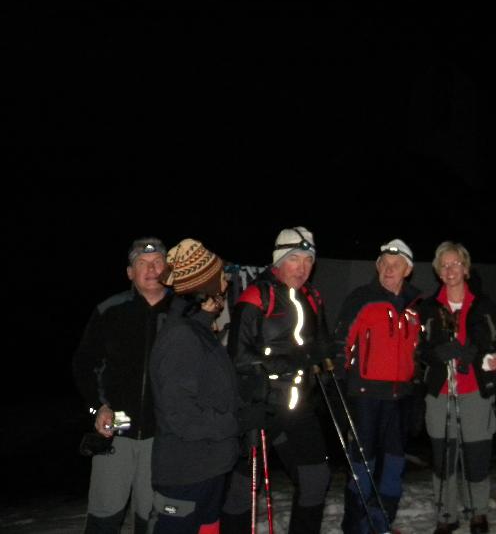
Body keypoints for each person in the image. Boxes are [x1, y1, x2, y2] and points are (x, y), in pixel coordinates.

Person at [221, 226, 332, 534]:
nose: (302, 268)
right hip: (261, 406)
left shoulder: (313, 297)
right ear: (279, 260)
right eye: (295, 259)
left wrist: (326, 354)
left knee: (316, 479)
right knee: (242, 489)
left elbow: (321, 347)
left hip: (300, 407)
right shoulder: (257, 296)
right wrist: (290, 361)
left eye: (308, 260)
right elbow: (238, 358)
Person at [72, 237, 180, 534]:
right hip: (116, 427)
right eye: (142, 263)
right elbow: (83, 365)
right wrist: (97, 407)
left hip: (164, 433)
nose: (151, 269)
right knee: (104, 515)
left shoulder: (184, 313)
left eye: (157, 262)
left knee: (153, 516)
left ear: (168, 268)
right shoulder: (110, 310)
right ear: (130, 272)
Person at [417, 242, 496, 534]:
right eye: (444, 265)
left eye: (455, 264)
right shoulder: (429, 308)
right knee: (444, 457)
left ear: (466, 268)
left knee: (477, 455)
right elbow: (419, 349)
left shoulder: (483, 305)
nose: (450, 270)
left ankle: (478, 512)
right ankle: (447, 514)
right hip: (440, 392)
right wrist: (436, 353)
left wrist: (493, 356)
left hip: (475, 392)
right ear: (438, 271)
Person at [149, 239, 240, 534]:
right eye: (220, 276)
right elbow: (181, 415)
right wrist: (234, 422)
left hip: (208, 467)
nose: (227, 282)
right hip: (186, 473)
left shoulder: (197, 330)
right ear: (205, 286)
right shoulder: (181, 337)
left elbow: (209, 389)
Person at [333, 239, 423, 534]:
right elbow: (341, 343)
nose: (388, 269)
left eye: (395, 265)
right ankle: (356, 526)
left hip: (400, 397)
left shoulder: (414, 307)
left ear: (407, 270)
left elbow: (417, 352)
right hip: (365, 395)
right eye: (384, 264)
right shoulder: (362, 298)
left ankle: (381, 523)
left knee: (394, 466)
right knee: (363, 466)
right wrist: (341, 387)